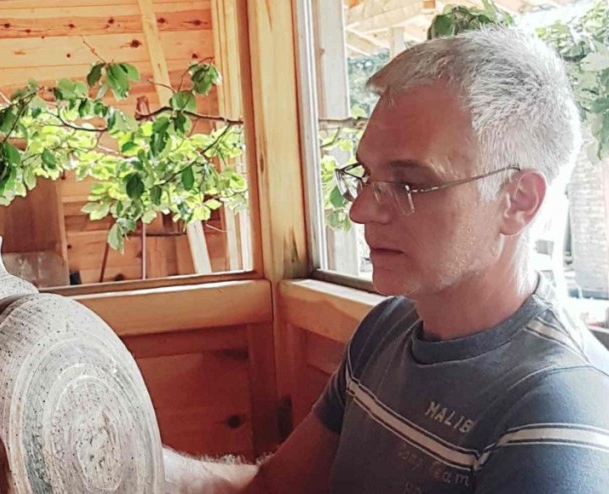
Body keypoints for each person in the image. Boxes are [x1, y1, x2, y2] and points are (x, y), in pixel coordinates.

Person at [164, 27, 609, 493]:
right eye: (366, 175)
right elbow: (274, 487)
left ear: (518, 201)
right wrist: (138, 460)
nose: (360, 210)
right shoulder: (388, 327)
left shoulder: (556, 416)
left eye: (411, 184)